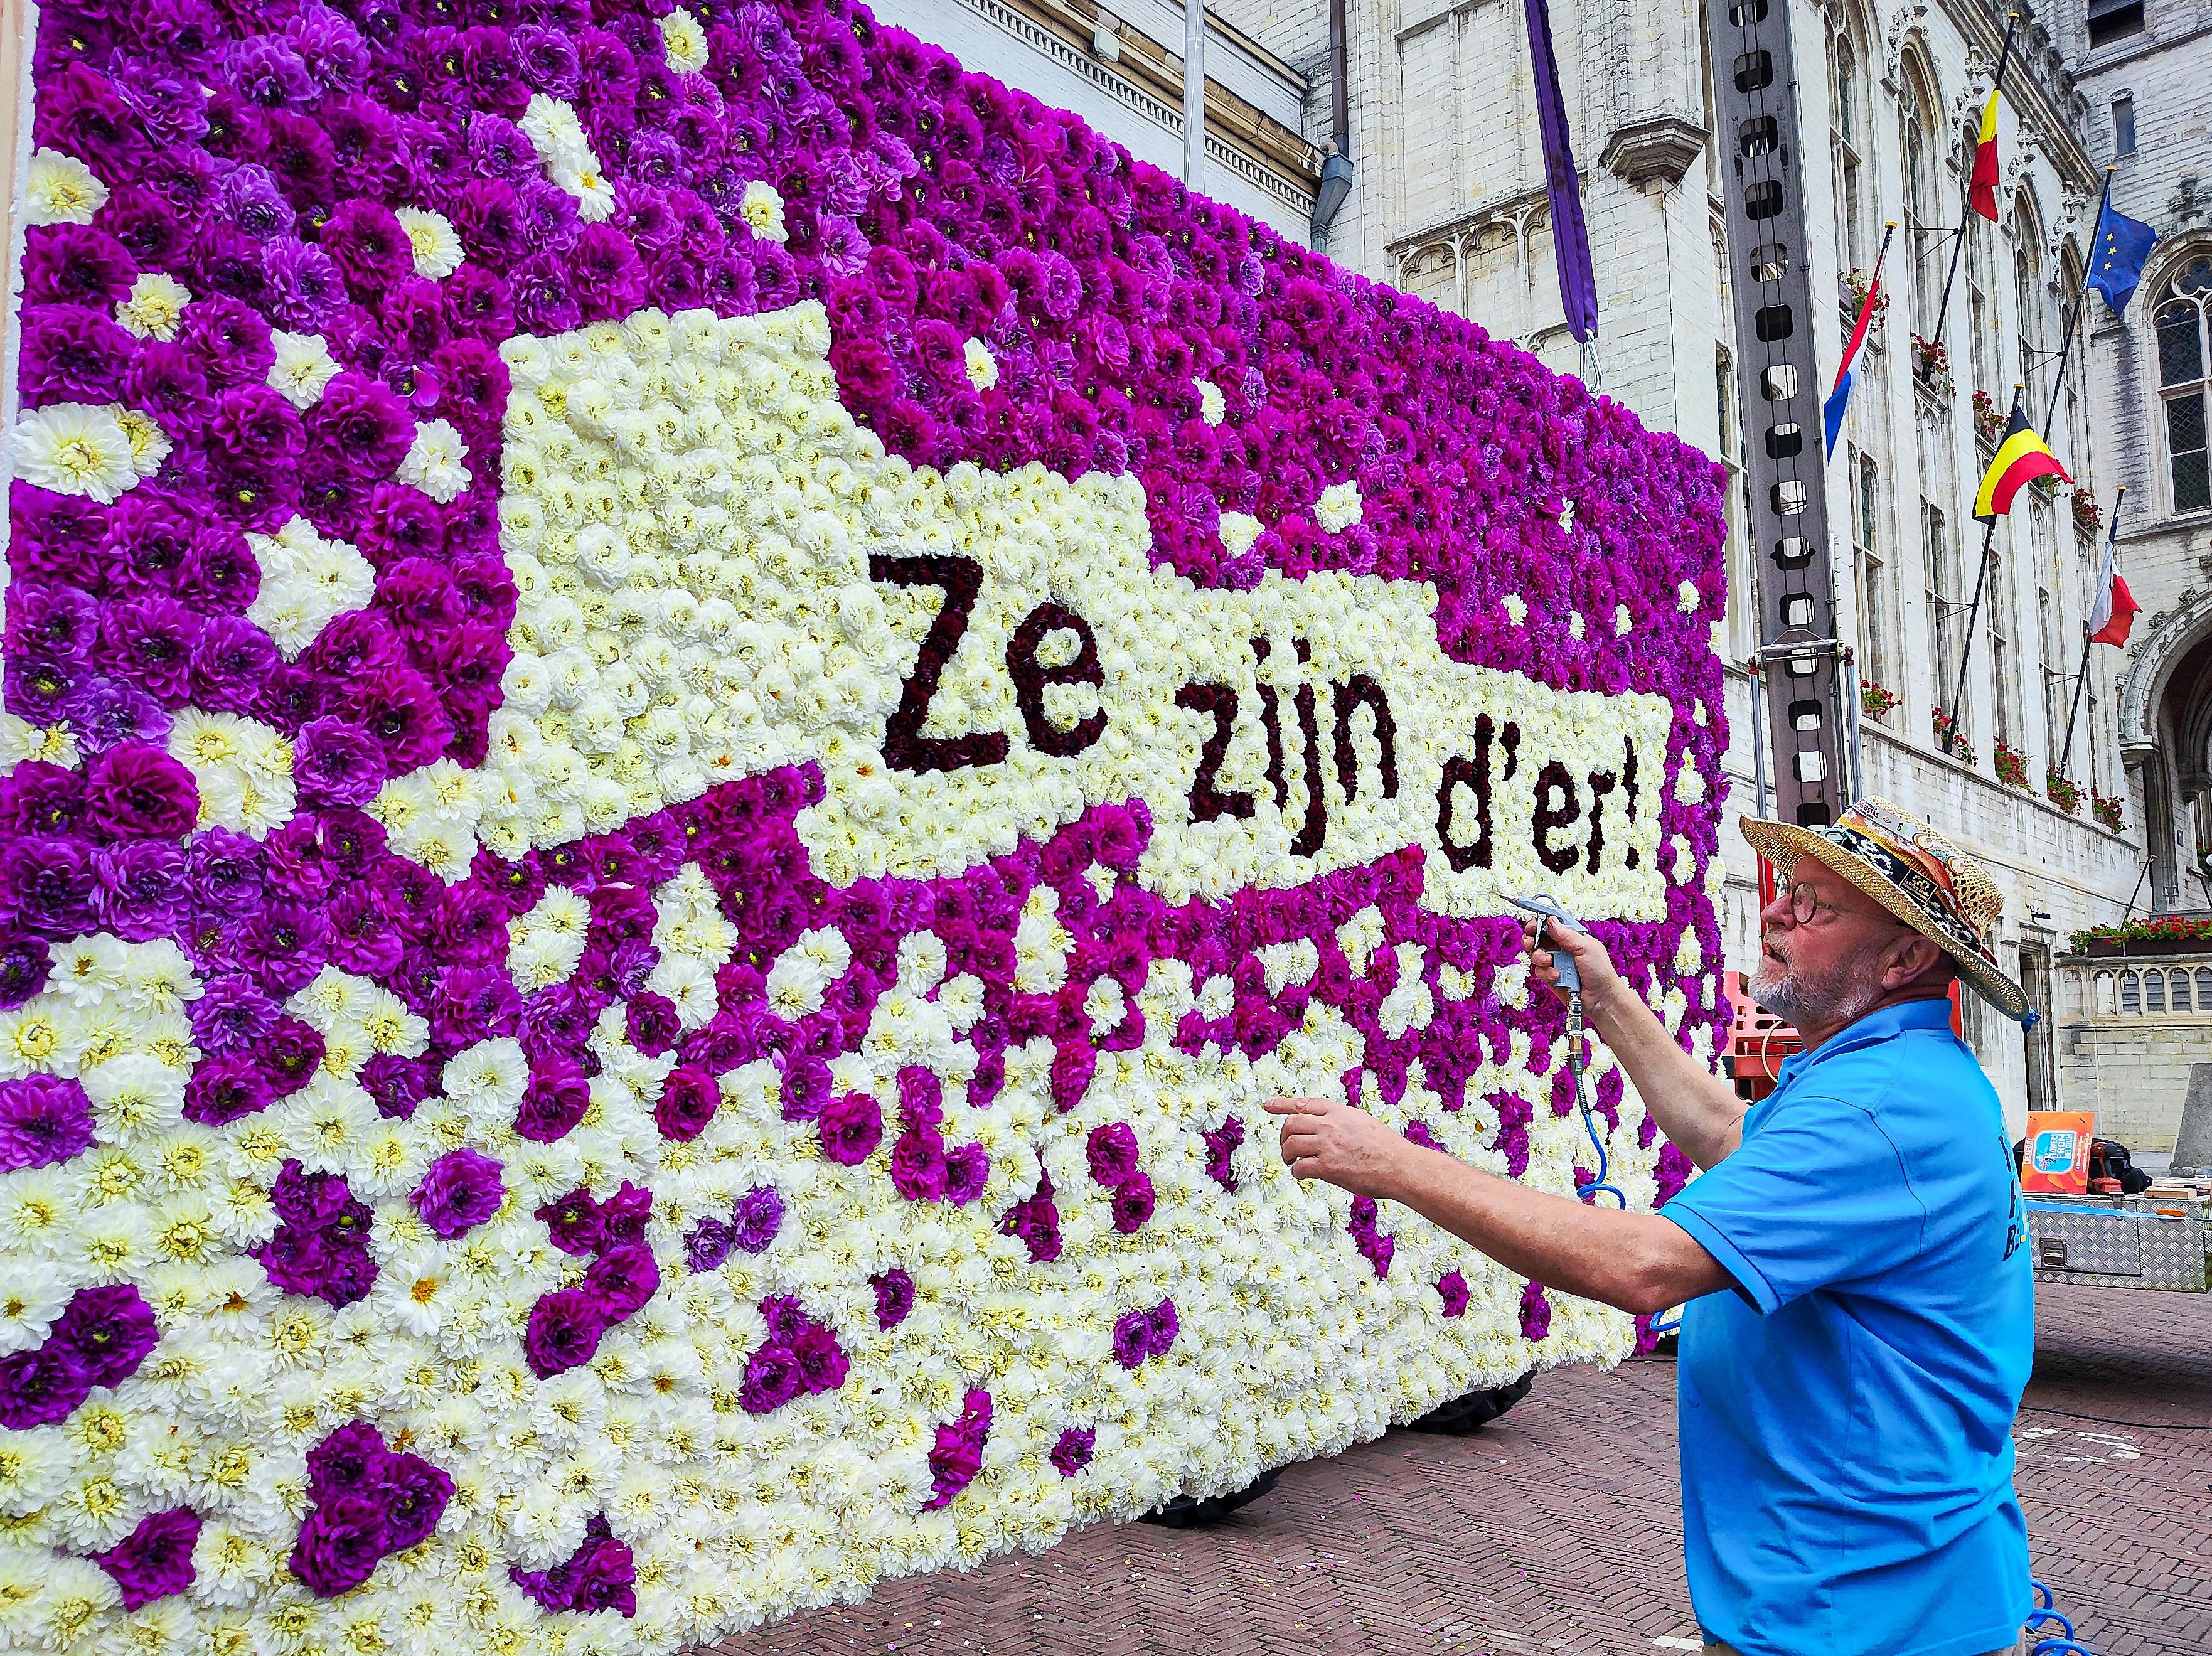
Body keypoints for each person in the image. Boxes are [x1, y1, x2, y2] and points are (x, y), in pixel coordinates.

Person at [1268, 798, 2035, 1656]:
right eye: (1788, 887)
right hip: (1874, 1583)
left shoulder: (1876, 1107)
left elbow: (1643, 1266)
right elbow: (1730, 1139)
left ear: (1904, 956)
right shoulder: (1897, 1072)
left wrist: (1390, 1164)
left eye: (1816, 902)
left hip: (1864, 1610)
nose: (1777, 909)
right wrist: (1605, 998)